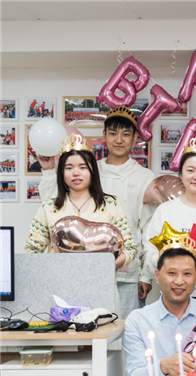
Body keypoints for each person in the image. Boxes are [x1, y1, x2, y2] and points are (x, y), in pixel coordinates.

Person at [38, 106, 157, 318]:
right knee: (88, 328)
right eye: (113, 133)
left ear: (135, 138)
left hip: (128, 273)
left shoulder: (145, 177)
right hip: (85, 271)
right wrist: (48, 171)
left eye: (126, 134)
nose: (118, 140)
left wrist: (146, 276)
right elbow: (55, 204)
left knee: (126, 332)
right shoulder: (90, 170)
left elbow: (149, 228)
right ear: (104, 135)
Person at [25, 134, 136, 270]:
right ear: (61, 172)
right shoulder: (48, 208)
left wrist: (106, 267)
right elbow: (32, 249)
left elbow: (129, 248)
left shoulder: (110, 205)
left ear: (93, 171)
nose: (76, 173)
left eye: (83, 167)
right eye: (69, 168)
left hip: (101, 280)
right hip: (59, 281)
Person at [141, 137, 196, 304]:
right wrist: (163, 258)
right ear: (181, 175)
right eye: (190, 170)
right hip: (172, 291)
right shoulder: (165, 210)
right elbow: (149, 248)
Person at [123, 240, 196, 376]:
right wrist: (162, 366)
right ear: (157, 276)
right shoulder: (138, 320)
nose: (179, 281)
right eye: (172, 273)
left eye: (187, 274)